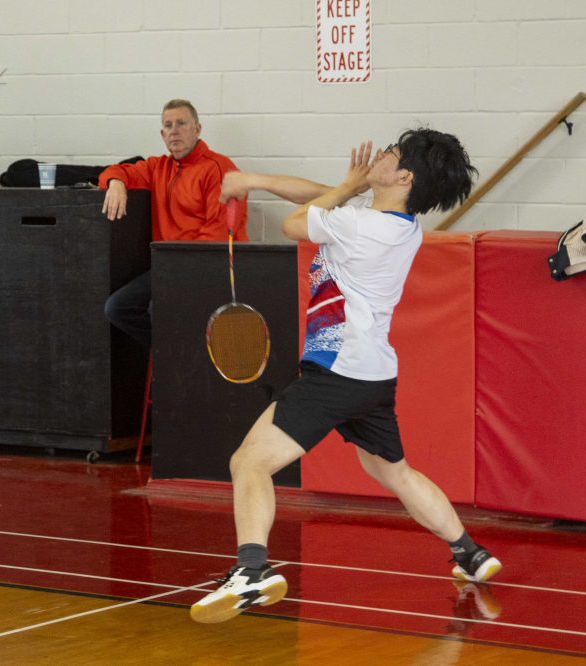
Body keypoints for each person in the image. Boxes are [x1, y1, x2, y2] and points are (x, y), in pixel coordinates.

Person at [189, 128, 501, 624]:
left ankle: (251, 570)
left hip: (337, 370)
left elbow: (297, 223)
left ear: (403, 176)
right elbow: (320, 198)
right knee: (391, 471)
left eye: (391, 154)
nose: (379, 154)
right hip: (374, 375)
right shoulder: (401, 225)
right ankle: (470, 553)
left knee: (248, 463)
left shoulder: (360, 227)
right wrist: (253, 179)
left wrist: (346, 186)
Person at [97, 99, 247, 347]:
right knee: (117, 307)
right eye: (168, 125)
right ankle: (173, 353)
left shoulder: (218, 168)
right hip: (167, 266)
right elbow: (116, 170)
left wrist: (176, 273)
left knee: (161, 309)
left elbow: (216, 237)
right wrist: (116, 182)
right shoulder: (158, 167)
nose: (174, 130)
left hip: (213, 267)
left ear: (197, 129)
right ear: (162, 134)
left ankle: (176, 357)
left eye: (181, 123)